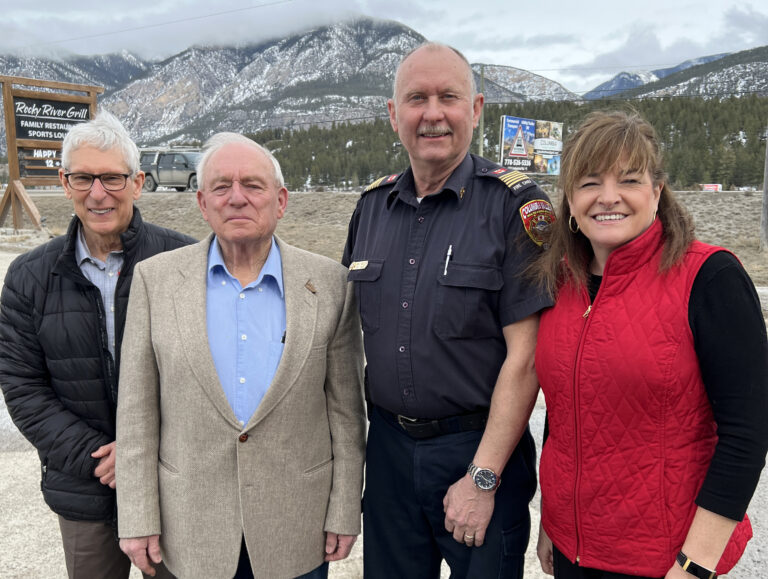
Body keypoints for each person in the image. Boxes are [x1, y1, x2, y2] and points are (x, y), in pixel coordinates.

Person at [342, 42, 555, 578]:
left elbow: (526, 360)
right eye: (416, 98)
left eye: (448, 97)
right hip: (388, 449)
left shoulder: (514, 207)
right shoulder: (371, 208)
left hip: (478, 449)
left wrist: (482, 477)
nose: (432, 113)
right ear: (394, 115)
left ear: (476, 109)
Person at [115, 132, 365, 579]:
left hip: (295, 527)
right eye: (221, 187)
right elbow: (136, 415)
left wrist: (345, 509)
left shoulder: (330, 284)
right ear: (202, 202)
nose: (236, 199)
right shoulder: (155, 281)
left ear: (281, 200)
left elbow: (346, 414)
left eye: (252, 185)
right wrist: (136, 517)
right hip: (190, 529)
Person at [533, 110, 768, 579]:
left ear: (657, 192)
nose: (608, 197)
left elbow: (747, 433)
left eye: (629, 179)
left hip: (665, 561)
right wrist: (551, 523)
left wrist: (695, 564)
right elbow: (564, 411)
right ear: (570, 201)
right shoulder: (560, 283)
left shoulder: (710, 277)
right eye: (589, 181)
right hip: (572, 550)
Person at [0, 111, 195, 579]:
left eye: (111, 177)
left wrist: (140, 452)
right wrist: (101, 457)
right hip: (85, 485)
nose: (98, 192)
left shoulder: (186, 261)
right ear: (65, 183)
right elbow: (23, 386)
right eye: (84, 178)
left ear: (138, 182)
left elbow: (212, 375)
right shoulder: (29, 277)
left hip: (174, 481)